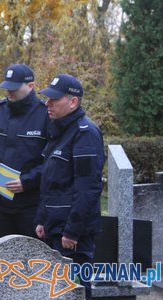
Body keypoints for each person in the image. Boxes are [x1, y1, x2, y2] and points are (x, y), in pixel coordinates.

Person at [35, 74, 104, 300]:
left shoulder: (85, 134)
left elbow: (88, 187)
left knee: (75, 292)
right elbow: (51, 183)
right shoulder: (59, 131)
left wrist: (73, 230)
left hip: (71, 235)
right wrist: (42, 219)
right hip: (55, 228)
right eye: (48, 99)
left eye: (54, 99)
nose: (48, 104)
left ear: (73, 102)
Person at [0, 64, 49, 244]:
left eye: (14, 88)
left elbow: (53, 161)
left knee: (30, 260)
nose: (9, 92)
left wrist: (27, 181)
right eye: (7, 88)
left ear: (30, 86)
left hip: (31, 204)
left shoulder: (45, 114)